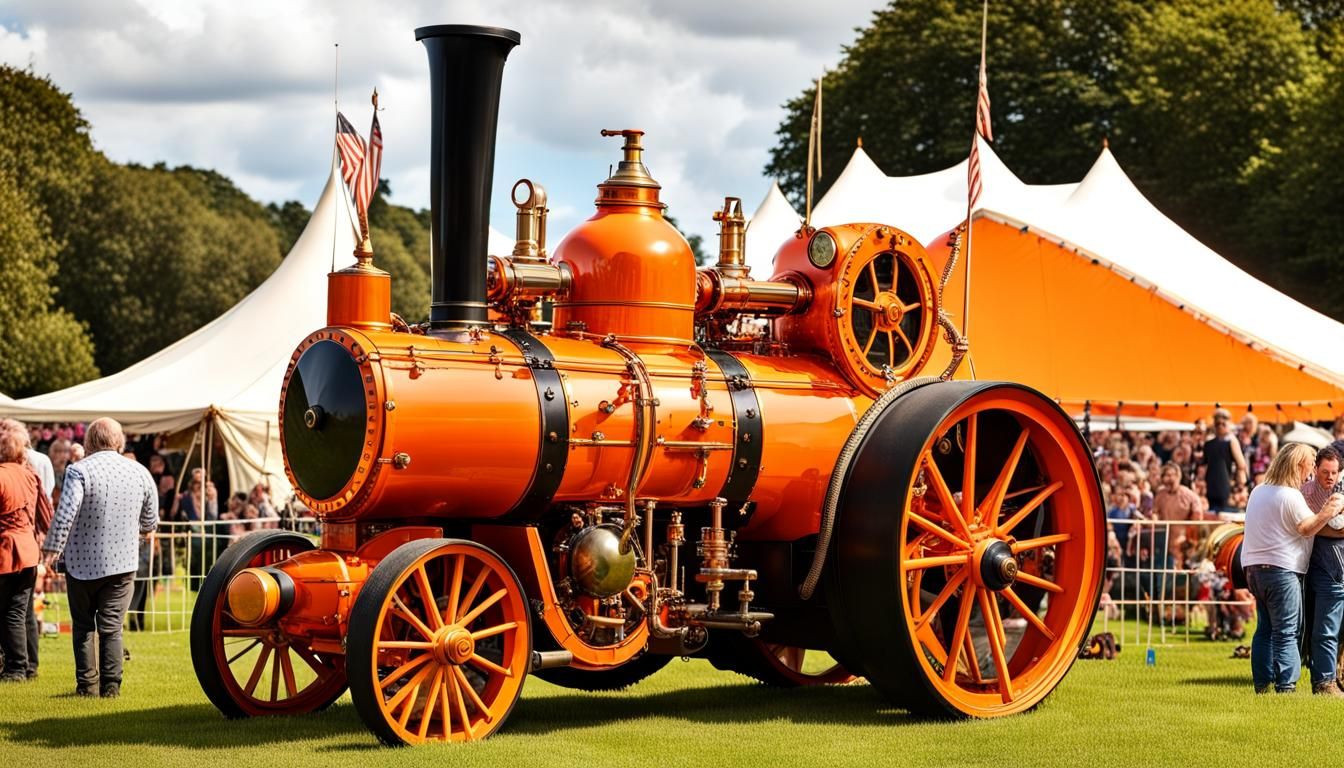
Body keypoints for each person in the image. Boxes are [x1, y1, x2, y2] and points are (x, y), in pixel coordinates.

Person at [40, 418, 157, 698]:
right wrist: (136, 531)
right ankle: (112, 687)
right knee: (112, 628)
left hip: (81, 563)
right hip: (123, 563)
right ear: (119, 442)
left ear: (89, 442)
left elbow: (66, 512)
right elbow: (151, 520)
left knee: (83, 627)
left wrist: (52, 548)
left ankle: (87, 687)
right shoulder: (139, 472)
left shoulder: (79, 471)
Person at [1242, 443, 1344, 694]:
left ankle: (1262, 686)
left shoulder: (1258, 491)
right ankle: (1286, 687)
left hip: (1254, 570)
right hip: (1282, 570)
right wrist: (1328, 510)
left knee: (1264, 629)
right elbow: (1307, 528)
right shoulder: (1290, 495)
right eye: (1310, 465)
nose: (1310, 471)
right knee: (1288, 631)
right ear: (1299, 465)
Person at [0, 420, 52, 682]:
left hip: (6, 552)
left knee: (9, 612)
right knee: (22, 612)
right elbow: (46, 516)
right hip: (29, 552)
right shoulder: (31, 474)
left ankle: (15, 668)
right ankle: (28, 666)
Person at [1304, 447, 1344, 695]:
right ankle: (1324, 682)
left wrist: (1318, 525)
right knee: (1324, 628)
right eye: (1325, 472)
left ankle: (1331, 678)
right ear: (1315, 470)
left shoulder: (1340, 491)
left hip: (1336, 567)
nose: (1330, 477)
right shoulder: (1305, 493)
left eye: (1335, 472)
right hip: (1322, 568)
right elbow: (1307, 527)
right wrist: (1320, 525)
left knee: (1333, 629)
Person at [1202, 409, 1248, 514]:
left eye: (1223, 423)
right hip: (1212, 484)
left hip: (1226, 485)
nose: (1220, 426)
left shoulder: (1231, 441)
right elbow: (1204, 465)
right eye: (1218, 423)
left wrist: (1239, 483)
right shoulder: (1209, 444)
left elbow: (1241, 465)